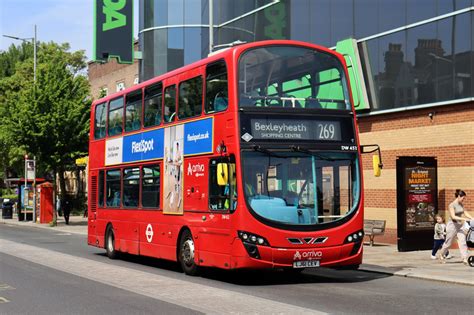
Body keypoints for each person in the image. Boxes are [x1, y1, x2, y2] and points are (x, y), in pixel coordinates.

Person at [439, 189, 473, 265]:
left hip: (459, 225)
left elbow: (465, 213)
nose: (463, 199)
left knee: (462, 241)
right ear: (458, 196)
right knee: (448, 243)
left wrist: (472, 218)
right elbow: (453, 216)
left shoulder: (461, 204)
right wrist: (464, 219)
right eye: (463, 198)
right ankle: (441, 254)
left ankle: (465, 258)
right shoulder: (451, 205)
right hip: (452, 225)